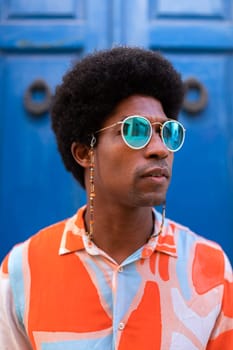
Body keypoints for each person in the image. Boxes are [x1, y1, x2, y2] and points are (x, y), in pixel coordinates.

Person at [0, 46, 232, 350]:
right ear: (85, 152)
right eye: (136, 130)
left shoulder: (210, 269)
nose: (160, 148)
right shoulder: (23, 270)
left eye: (167, 131)